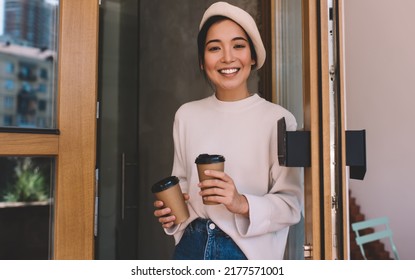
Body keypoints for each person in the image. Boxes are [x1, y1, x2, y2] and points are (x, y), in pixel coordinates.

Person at [153, 1, 302, 260]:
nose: (227, 57)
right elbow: (184, 184)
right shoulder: (186, 115)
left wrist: (240, 203)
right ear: (202, 61)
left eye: (238, 45)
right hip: (191, 247)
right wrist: (172, 215)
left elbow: (291, 207)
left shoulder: (278, 120)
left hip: (245, 253)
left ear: (252, 56)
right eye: (214, 48)